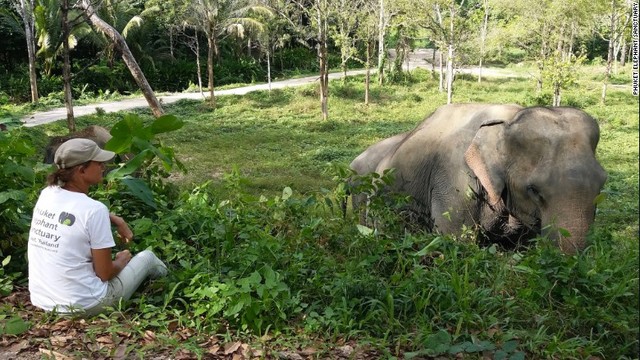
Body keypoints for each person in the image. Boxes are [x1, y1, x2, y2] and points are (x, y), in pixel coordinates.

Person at [28, 138, 167, 316]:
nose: (103, 166)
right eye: (98, 163)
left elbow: (75, 213)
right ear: (82, 169)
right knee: (147, 258)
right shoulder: (94, 210)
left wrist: (115, 219)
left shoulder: (47, 193)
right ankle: (171, 282)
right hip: (86, 305)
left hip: (43, 300)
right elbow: (105, 273)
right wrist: (122, 261)